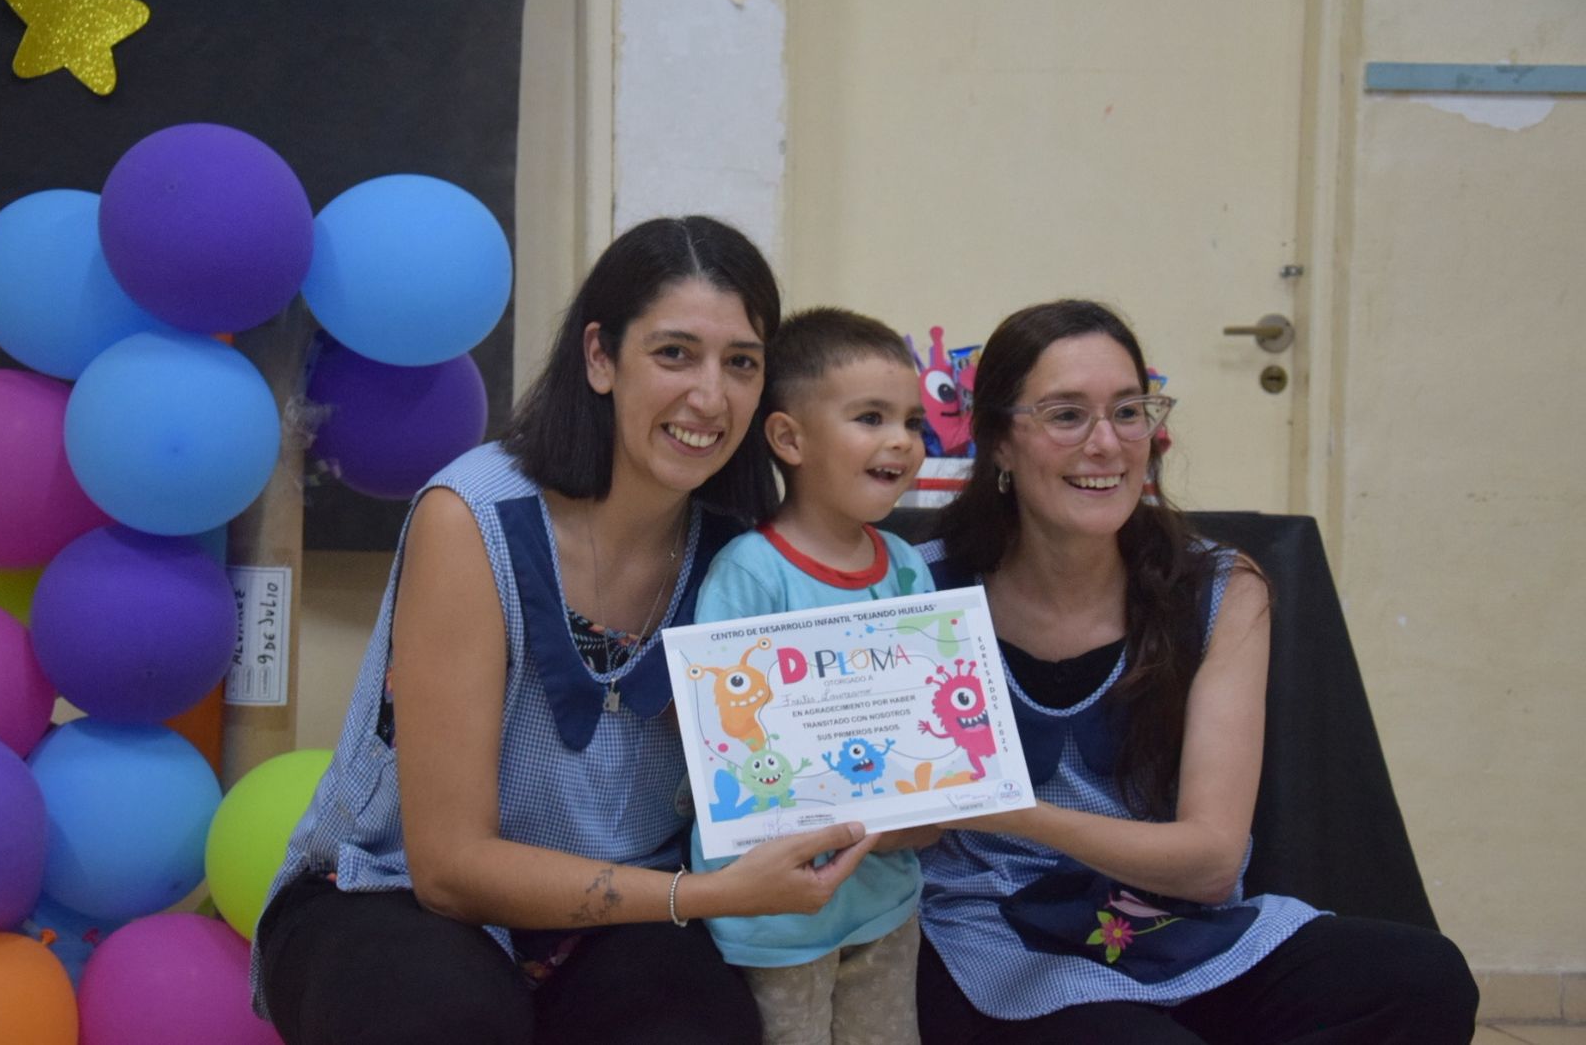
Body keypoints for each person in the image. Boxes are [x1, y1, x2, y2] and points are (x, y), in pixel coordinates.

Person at [252, 217, 879, 1045]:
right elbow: (448, 870)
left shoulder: (748, 552)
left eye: (741, 363)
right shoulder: (472, 516)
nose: (710, 397)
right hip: (393, 893)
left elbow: (808, 773)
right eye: (675, 353)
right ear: (599, 358)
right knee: (439, 1016)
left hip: (625, 916)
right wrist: (705, 896)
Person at [913, 300, 1478, 1043]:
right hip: (990, 932)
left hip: (1163, 920)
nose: (1106, 444)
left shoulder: (1220, 589)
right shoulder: (920, 591)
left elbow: (1211, 863)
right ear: (999, 442)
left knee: (1424, 978)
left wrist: (1003, 809)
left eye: (1128, 412)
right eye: (1066, 415)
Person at [689, 307, 935, 1045]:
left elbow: (933, 727)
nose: (902, 440)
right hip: (776, 913)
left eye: (913, 421)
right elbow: (725, 739)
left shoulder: (908, 568)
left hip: (886, 902)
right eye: (871, 417)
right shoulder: (750, 574)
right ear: (790, 439)